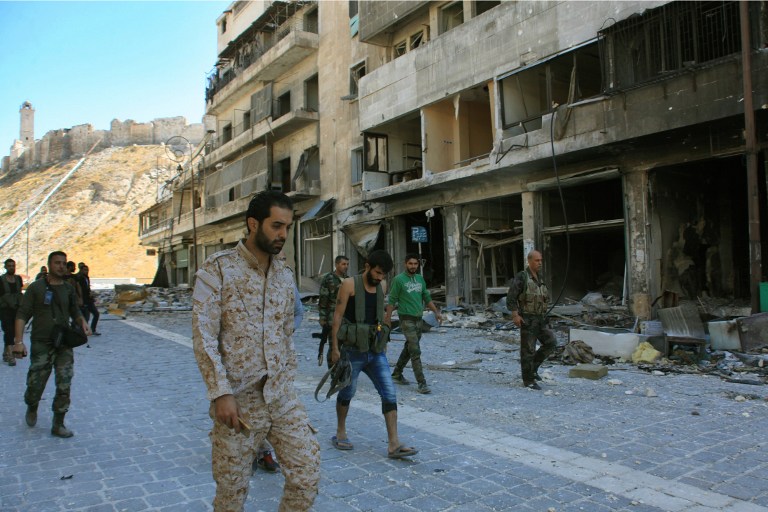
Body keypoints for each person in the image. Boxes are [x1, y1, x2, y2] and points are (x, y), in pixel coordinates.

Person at [192, 190, 319, 512]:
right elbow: (204, 335)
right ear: (253, 223)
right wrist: (220, 392)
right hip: (238, 401)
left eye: (287, 227)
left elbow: (286, 328)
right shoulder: (218, 269)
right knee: (231, 493)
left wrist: (286, 371)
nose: (283, 235)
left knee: (306, 476)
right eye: (277, 226)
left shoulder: (284, 275)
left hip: (281, 396)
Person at [330, 249, 418, 459]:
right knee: (347, 393)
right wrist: (334, 348)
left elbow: (382, 317)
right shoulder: (349, 284)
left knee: (389, 393)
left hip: (375, 351)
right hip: (352, 351)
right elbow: (338, 317)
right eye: (377, 273)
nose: (380, 278)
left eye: (383, 275)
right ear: (367, 266)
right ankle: (340, 431)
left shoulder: (383, 286)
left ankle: (393, 444)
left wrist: (384, 340)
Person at [13, 251, 91, 437]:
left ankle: (58, 423)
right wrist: (18, 342)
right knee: (35, 385)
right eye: (57, 263)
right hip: (42, 344)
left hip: (63, 344)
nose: (62, 266)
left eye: (64, 263)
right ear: (49, 265)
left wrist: (82, 321)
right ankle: (32, 405)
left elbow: (74, 310)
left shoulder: (68, 288)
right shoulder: (36, 288)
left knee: (64, 384)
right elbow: (22, 314)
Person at [253, 283, 303, 475]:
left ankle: (265, 452)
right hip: (247, 358)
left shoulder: (285, 279)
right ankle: (248, 451)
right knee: (248, 405)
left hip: (279, 360)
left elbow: (298, 312)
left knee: (271, 406)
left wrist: (285, 334)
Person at [385, 253, 442, 394]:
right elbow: (392, 300)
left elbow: (426, 297)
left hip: (418, 319)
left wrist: (436, 312)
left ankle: (397, 374)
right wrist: (387, 318)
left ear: (418, 265)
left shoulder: (420, 279)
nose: (413, 266)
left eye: (415, 264)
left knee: (409, 347)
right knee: (415, 351)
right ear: (405, 264)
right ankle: (422, 383)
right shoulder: (398, 280)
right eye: (410, 263)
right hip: (406, 319)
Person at [506, 249, 557, 390]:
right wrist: (515, 315)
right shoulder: (522, 277)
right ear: (529, 261)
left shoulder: (539, 278)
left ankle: (533, 368)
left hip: (540, 318)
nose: (540, 263)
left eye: (541, 260)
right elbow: (511, 297)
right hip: (527, 319)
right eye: (537, 260)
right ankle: (528, 380)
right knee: (528, 350)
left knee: (551, 342)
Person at [317, 255, 349, 367]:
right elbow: (323, 300)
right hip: (332, 317)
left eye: (347, 264)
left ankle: (342, 370)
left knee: (345, 346)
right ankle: (333, 371)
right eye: (343, 264)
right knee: (333, 345)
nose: (346, 267)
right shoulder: (329, 279)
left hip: (346, 318)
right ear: (336, 264)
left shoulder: (348, 280)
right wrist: (322, 318)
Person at [1, 259, 24, 366]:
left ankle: (6, 353)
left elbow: (19, 292)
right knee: (8, 330)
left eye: (13, 265)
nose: (11, 267)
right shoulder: (1, 280)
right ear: (5, 267)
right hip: (5, 309)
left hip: (17, 308)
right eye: (9, 266)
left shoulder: (18, 279)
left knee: (15, 331)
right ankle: (10, 356)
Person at [77, 265, 101, 336]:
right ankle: (84, 331)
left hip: (89, 300)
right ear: (81, 270)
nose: (86, 271)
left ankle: (92, 329)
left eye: (87, 270)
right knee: (85, 317)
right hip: (84, 300)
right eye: (85, 270)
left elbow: (87, 289)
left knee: (95, 314)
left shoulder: (86, 278)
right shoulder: (80, 278)